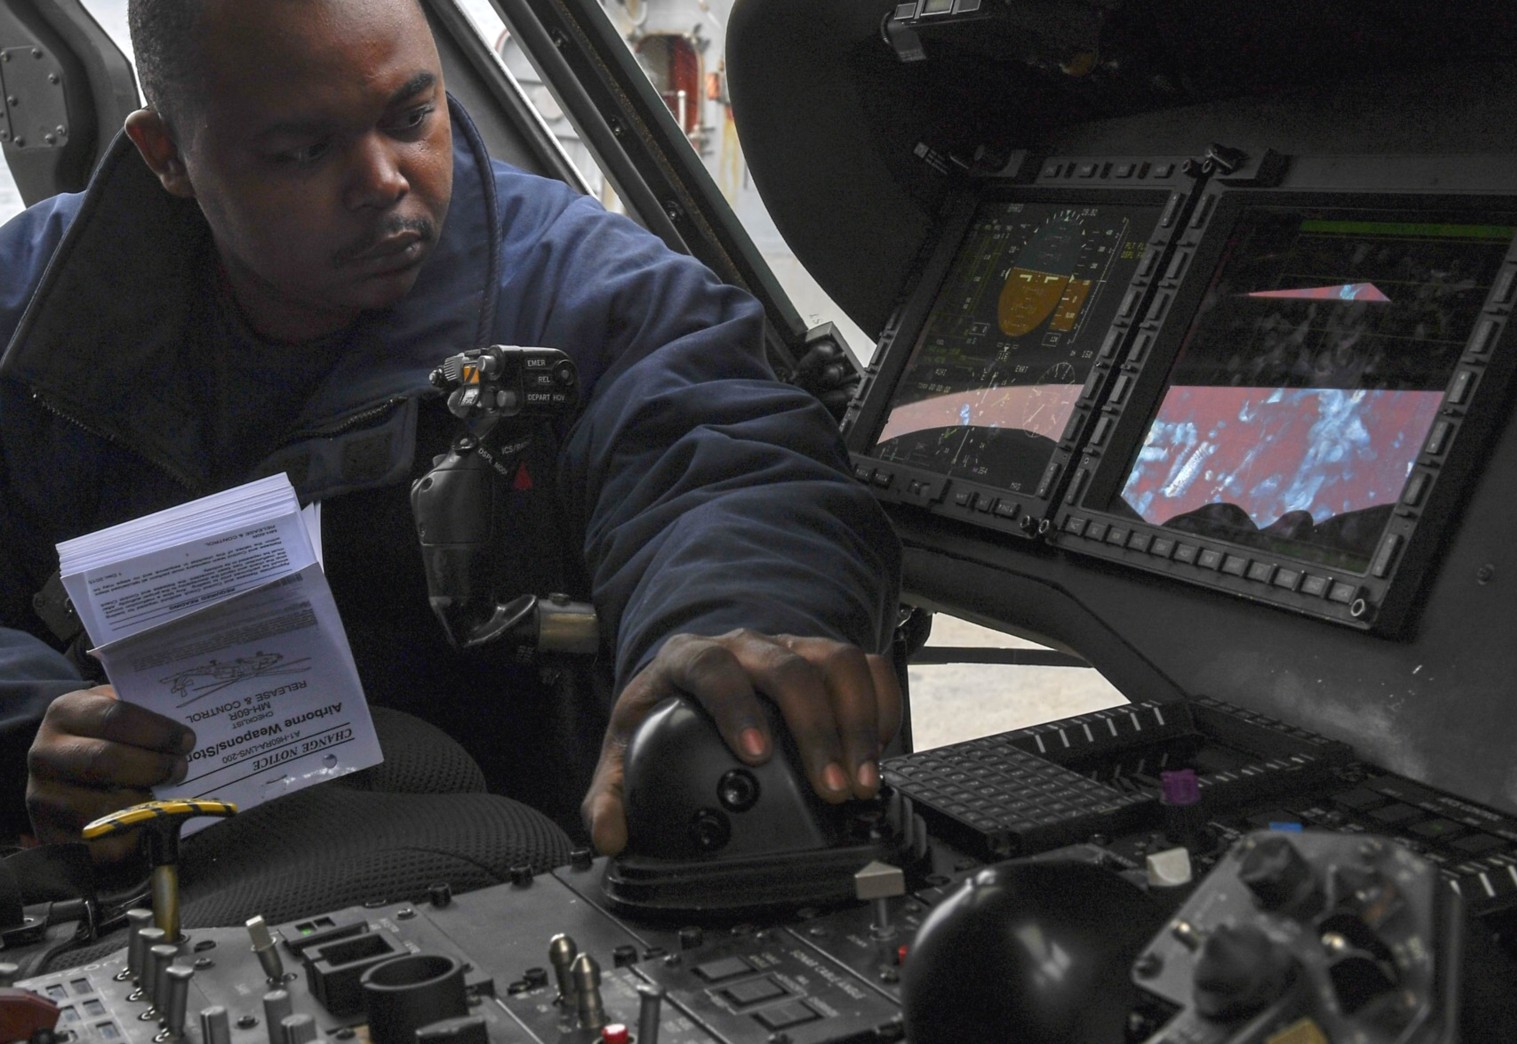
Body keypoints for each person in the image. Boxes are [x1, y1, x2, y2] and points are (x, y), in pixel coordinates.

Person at [0, 0, 901, 874]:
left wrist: (717, 640)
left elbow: (724, 467)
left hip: (527, 861)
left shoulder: (584, 293)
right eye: (302, 149)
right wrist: (36, 726)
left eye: (412, 113)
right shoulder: (31, 316)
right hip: (153, 872)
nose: (384, 179)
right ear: (168, 157)